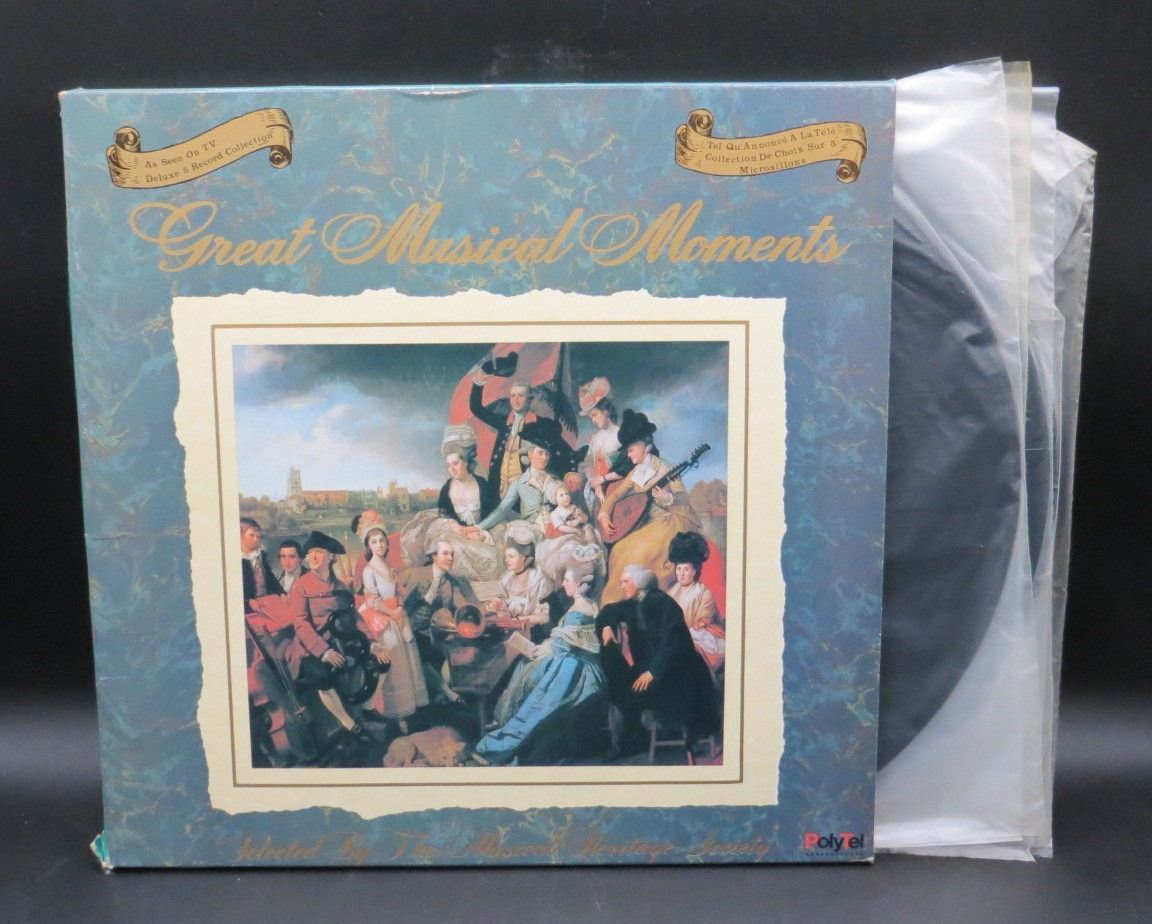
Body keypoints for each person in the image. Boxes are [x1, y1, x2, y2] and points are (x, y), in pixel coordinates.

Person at [476, 546, 607, 765]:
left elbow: (562, 646)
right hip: (576, 662)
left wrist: (541, 650)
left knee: (536, 705)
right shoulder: (588, 605)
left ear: (579, 584)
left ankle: (502, 747)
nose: (563, 584)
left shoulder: (578, 610)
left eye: (567, 580)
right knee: (527, 672)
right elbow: (564, 641)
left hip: (574, 671)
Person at [596, 565, 717, 755]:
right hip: (647, 671)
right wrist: (606, 627)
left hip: (676, 674)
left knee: (633, 692)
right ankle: (634, 738)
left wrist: (653, 672)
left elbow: (674, 641)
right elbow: (608, 611)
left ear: (640, 583)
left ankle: (635, 739)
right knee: (619, 685)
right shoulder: (633, 603)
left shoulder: (663, 603)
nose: (622, 586)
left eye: (626, 582)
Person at [283, 531, 389, 734]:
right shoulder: (301, 586)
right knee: (323, 676)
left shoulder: (340, 586)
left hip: (342, 641)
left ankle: (368, 709)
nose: (313, 556)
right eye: (310, 553)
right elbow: (301, 623)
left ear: (331, 557)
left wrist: (371, 642)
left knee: (383, 661)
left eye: (319, 552)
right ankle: (348, 723)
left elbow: (354, 617)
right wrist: (324, 651)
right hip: (310, 647)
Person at [598, 411, 702, 604]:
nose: (629, 455)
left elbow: (683, 499)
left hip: (671, 521)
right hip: (648, 522)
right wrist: (604, 515)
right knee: (618, 550)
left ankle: (621, 602)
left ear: (645, 447)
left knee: (639, 552)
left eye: (631, 450)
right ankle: (617, 606)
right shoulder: (636, 472)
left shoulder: (665, 468)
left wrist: (668, 498)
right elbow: (615, 495)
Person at [399, 424, 504, 582]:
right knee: (454, 549)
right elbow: (446, 519)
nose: (452, 469)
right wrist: (461, 530)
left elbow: (493, 514)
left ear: (466, 462)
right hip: (457, 535)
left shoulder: (482, 485)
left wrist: (481, 533)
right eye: (448, 465)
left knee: (492, 552)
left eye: (455, 463)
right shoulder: (446, 489)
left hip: (482, 532)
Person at [357, 514, 429, 725]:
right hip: (384, 620)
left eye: (382, 541)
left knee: (408, 661)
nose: (379, 545)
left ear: (387, 543)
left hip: (397, 615)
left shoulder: (390, 567)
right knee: (394, 663)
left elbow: (398, 592)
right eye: (374, 542)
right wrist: (392, 613)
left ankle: (410, 711)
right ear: (368, 546)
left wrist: (400, 607)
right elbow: (372, 600)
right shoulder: (369, 570)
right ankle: (395, 714)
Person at [398, 539, 478, 702]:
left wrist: (477, 610)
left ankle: (443, 693)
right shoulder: (417, 575)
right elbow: (401, 602)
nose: (450, 558)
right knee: (422, 658)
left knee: (454, 651)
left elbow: (460, 602)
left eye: (452, 554)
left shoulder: (450, 582)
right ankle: (449, 694)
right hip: (411, 630)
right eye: (445, 554)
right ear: (434, 556)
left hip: (434, 632)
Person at [476, 418, 565, 532]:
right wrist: (479, 527)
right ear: (530, 454)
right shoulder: (519, 482)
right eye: (540, 453)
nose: (544, 458)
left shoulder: (554, 479)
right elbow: (502, 510)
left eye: (547, 454)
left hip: (556, 527)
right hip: (531, 530)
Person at [470, 367, 540, 496]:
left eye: (521, 395)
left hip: (525, 491)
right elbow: (476, 408)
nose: (516, 400)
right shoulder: (503, 422)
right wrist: (479, 382)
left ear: (530, 398)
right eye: (513, 396)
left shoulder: (540, 425)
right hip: (498, 488)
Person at [667, 531, 725, 673]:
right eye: (679, 569)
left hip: (694, 637)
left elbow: (703, 619)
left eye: (686, 569)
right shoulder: (670, 592)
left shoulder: (703, 593)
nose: (681, 573)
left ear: (694, 571)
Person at [487, 525, 554, 642]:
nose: (506, 560)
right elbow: (507, 611)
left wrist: (517, 621)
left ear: (523, 558)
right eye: (506, 556)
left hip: (536, 633)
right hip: (511, 630)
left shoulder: (539, 579)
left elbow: (545, 617)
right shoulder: (506, 579)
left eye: (511, 556)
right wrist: (500, 607)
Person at [575, 377, 628, 515]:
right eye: (590, 417)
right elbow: (588, 463)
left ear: (605, 411)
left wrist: (603, 481)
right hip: (597, 488)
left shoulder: (621, 435)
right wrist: (596, 483)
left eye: (595, 415)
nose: (593, 420)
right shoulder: (595, 438)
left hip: (618, 487)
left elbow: (628, 467)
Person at [241, 517, 283, 609]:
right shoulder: (237, 559)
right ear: (241, 535)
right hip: (246, 605)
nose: (255, 539)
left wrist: (281, 592)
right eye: (251, 535)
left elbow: (269, 577)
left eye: (258, 537)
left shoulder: (260, 554)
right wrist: (248, 600)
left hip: (264, 600)